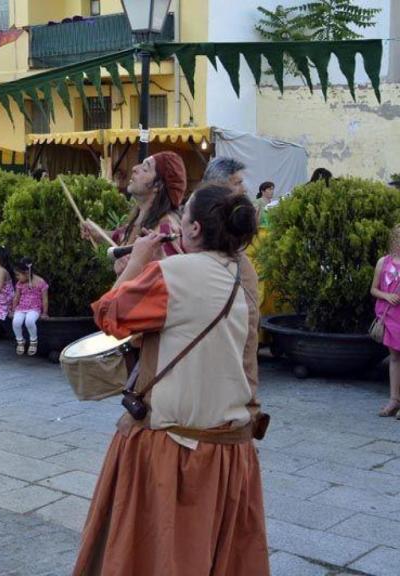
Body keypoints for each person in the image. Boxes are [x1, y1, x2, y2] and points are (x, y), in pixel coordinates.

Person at [74, 184, 269, 576]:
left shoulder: (173, 272)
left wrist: (138, 262)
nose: (177, 224)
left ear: (194, 229)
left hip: (176, 448)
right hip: (230, 448)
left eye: (184, 218)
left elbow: (108, 314)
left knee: (162, 557)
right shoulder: (240, 271)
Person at [83, 151, 186, 274]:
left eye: (145, 169)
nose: (134, 168)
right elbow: (118, 236)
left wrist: (131, 271)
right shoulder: (140, 219)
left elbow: (169, 280)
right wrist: (97, 232)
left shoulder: (166, 229)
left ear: (158, 186)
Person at [371, 225, 400, 419]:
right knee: (395, 358)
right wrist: (387, 296)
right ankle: (394, 399)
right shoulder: (384, 262)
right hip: (390, 316)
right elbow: (373, 289)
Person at [12, 258, 49, 357]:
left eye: (18, 275)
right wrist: (13, 309)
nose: (17, 277)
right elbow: (16, 297)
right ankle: (20, 340)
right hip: (21, 307)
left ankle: (33, 341)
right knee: (16, 322)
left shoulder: (40, 282)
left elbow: (45, 299)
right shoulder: (20, 284)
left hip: (34, 308)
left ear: (26, 273)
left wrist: (44, 312)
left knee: (29, 321)